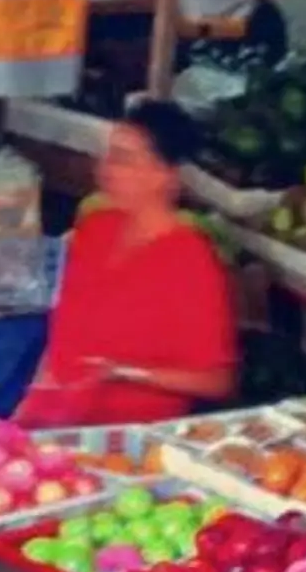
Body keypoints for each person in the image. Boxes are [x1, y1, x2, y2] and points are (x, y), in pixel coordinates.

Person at [14, 100, 237, 429]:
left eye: (123, 159)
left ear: (163, 175)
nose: (105, 168)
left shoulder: (190, 260)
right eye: (108, 155)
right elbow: (63, 336)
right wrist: (29, 407)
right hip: (58, 420)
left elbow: (216, 380)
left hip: (131, 435)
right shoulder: (95, 228)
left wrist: (120, 371)